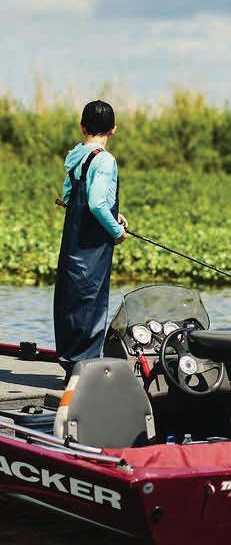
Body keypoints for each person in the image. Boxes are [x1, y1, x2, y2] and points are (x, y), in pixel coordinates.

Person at [53, 100, 129, 382]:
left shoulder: (78, 155)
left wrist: (113, 214)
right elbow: (96, 203)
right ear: (113, 129)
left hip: (74, 241)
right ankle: (84, 372)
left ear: (82, 127)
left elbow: (70, 196)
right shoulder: (105, 160)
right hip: (93, 245)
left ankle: (71, 365)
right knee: (92, 301)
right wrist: (116, 231)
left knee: (71, 298)